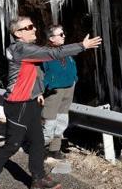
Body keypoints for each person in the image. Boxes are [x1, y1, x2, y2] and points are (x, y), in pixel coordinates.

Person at [0, 16, 102, 189]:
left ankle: (38, 179)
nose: (34, 29)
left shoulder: (28, 48)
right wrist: (82, 46)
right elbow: (53, 53)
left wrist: (37, 92)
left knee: (37, 142)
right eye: (29, 27)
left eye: (33, 26)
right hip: (17, 104)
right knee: (12, 145)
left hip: (30, 101)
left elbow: (34, 71)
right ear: (18, 33)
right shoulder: (21, 49)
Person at [41, 24, 78, 160]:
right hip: (54, 90)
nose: (64, 36)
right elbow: (39, 73)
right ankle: (40, 149)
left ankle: (54, 149)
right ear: (51, 38)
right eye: (61, 34)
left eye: (63, 33)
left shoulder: (64, 50)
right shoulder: (45, 53)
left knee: (62, 120)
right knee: (49, 121)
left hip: (69, 88)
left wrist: (74, 78)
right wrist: (46, 86)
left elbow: (71, 64)